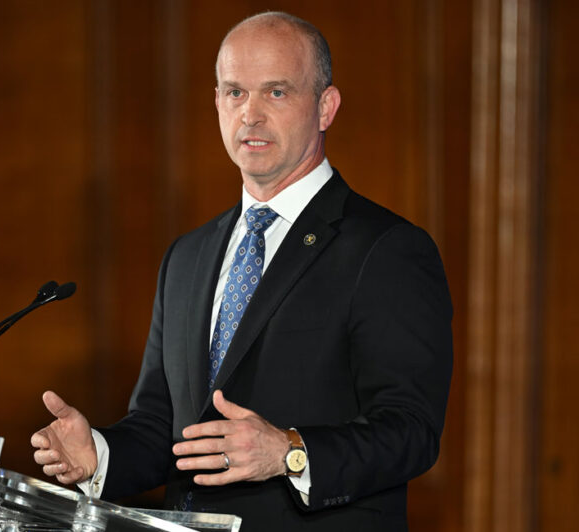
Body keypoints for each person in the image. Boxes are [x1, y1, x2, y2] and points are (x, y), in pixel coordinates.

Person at [31, 11, 452, 531]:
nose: (250, 115)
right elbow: (164, 426)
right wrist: (98, 453)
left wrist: (289, 452)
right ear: (216, 103)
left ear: (325, 107)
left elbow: (411, 431)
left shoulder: (386, 249)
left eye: (276, 93)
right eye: (235, 93)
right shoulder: (187, 256)